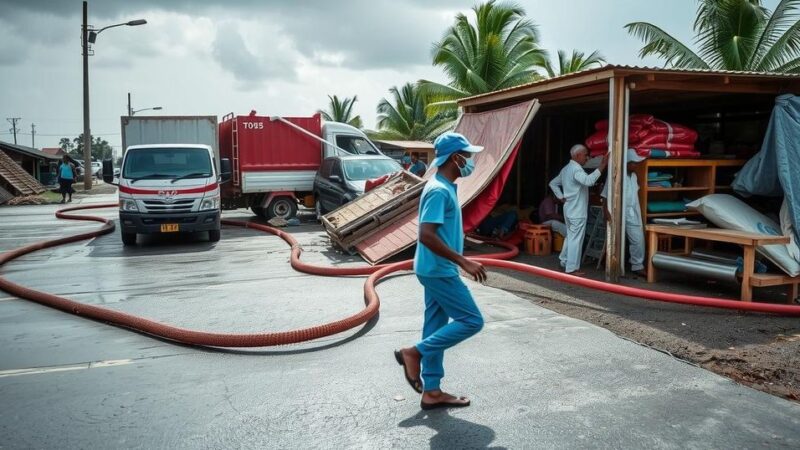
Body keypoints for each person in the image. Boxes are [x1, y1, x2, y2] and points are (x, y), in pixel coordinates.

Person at [394, 131, 487, 411]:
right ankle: (414, 353)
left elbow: (440, 231)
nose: (470, 161)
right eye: (467, 156)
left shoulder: (444, 186)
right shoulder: (438, 190)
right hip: (438, 269)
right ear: (456, 158)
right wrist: (463, 261)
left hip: (433, 268)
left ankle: (431, 391)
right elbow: (426, 235)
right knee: (472, 320)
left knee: (435, 325)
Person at [548, 144, 608, 275]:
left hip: (569, 208)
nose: (587, 157)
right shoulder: (576, 170)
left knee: (570, 237)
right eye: (585, 154)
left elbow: (553, 183)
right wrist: (602, 166)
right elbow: (589, 181)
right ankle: (572, 268)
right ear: (577, 155)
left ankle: (564, 261)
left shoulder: (566, 169)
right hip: (577, 210)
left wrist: (561, 197)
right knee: (576, 239)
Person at [601, 149, 647, 277]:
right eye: (634, 163)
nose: (636, 165)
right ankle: (613, 266)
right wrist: (606, 211)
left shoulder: (634, 176)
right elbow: (605, 195)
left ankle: (637, 265)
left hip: (632, 211)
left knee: (638, 239)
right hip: (618, 211)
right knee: (615, 239)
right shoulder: (615, 175)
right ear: (627, 163)